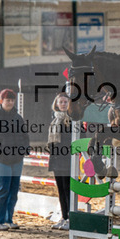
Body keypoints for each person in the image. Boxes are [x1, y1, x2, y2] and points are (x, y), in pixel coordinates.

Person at [0, 88, 30, 231]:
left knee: (13, 190)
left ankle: (8, 219)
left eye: (11, 100)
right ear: (1, 101)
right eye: (7, 100)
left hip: (16, 159)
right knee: (3, 189)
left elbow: (25, 136)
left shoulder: (18, 117)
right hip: (1, 160)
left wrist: (24, 150)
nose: (9, 102)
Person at [47, 92, 73, 230]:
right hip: (57, 160)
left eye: (65, 102)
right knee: (61, 190)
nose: (63, 104)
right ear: (56, 104)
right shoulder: (55, 120)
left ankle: (70, 218)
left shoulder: (73, 120)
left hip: (68, 160)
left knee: (68, 190)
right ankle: (64, 216)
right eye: (61, 102)